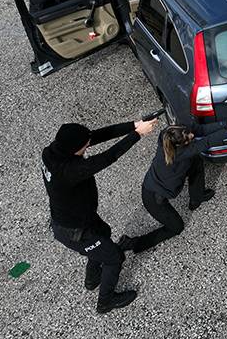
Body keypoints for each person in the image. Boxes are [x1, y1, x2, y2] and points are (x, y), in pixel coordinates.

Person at [41, 116, 158, 314]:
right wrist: (137, 135)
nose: (88, 146)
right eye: (85, 146)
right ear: (74, 148)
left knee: (104, 233)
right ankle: (106, 301)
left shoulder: (52, 151)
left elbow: (96, 136)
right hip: (73, 230)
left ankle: (92, 279)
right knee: (114, 257)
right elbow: (107, 158)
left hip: (80, 217)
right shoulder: (69, 170)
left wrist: (133, 125)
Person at [128, 117, 227, 253]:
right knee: (176, 227)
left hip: (165, 179)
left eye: (189, 133)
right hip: (153, 196)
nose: (192, 135)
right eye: (189, 139)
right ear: (179, 146)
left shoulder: (173, 133)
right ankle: (134, 243)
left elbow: (201, 130)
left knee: (195, 160)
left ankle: (197, 197)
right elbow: (205, 143)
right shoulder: (178, 153)